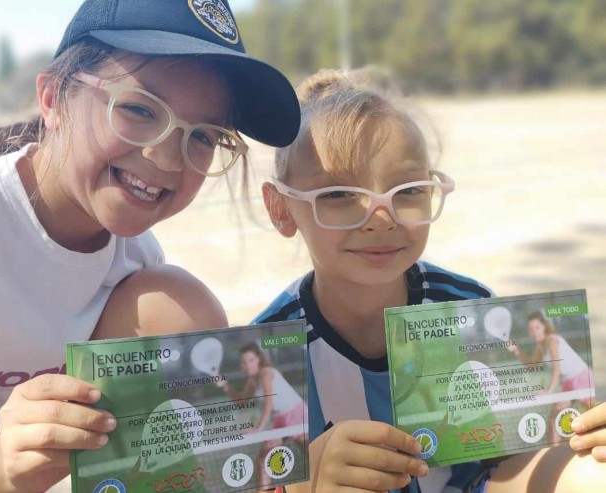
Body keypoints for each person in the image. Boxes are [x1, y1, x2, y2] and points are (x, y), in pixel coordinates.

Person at [0, 0, 300, 491]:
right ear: (53, 97)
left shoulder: (138, 256)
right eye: (139, 109)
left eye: (203, 136)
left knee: (176, 305)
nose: (165, 156)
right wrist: (5, 461)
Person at [253, 68, 606, 493]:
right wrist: (305, 484)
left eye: (407, 190)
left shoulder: (469, 307)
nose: (380, 219)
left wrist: (581, 441)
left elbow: (515, 454)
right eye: (338, 195)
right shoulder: (268, 350)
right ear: (281, 208)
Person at [217, 341, 308, 489]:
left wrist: (258, 429)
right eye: (244, 362)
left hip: (296, 413)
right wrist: (225, 386)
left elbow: (269, 403)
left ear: (259, 359)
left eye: (251, 360)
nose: (248, 365)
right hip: (280, 418)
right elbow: (241, 402)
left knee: (310, 451)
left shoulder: (266, 373)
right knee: (264, 458)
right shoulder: (252, 380)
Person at [509, 311, 595, 443]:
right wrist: (516, 351)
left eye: (537, 328)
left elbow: (557, 367)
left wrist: (548, 391)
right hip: (567, 383)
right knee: (554, 421)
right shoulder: (540, 346)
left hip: (581, 377)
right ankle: (554, 455)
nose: (534, 332)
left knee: (593, 416)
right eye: (531, 329)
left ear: (545, 326)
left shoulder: (551, 339)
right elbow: (531, 365)